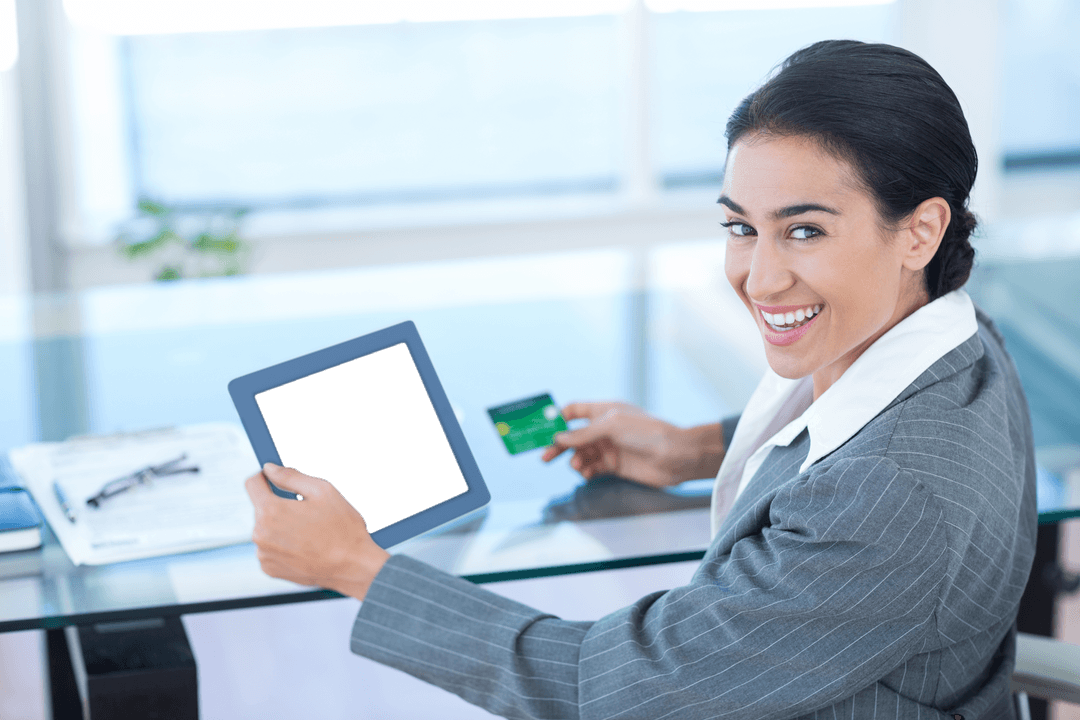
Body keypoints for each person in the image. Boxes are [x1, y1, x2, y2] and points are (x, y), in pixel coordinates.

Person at [245, 40, 1037, 719]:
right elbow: (862, 437)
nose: (759, 280)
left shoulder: (890, 496)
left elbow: (606, 690)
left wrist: (355, 567)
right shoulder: (958, 340)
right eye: (740, 228)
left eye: (804, 231)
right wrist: (687, 449)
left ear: (921, 230)